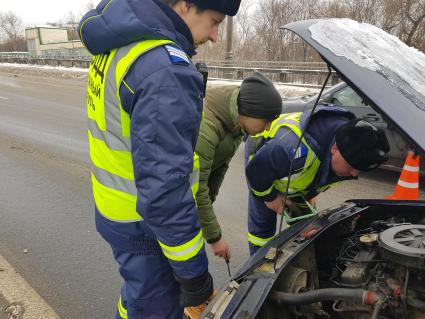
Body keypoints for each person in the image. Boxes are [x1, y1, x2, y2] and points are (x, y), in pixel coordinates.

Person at [78, 0, 241, 318]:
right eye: (214, 21)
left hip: (116, 208)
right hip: (146, 226)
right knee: (154, 309)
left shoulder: (119, 45)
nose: (214, 36)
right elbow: (164, 192)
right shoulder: (164, 68)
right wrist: (194, 273)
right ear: (184, 5)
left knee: (136, 299)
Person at [245, 106, 390, 255]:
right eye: (351, 166)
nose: (354, 174)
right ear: (334, 148)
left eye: (359, 169)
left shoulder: (351, 141)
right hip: (261, 159)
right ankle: (256, 270)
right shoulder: (290, 148)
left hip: (291, 164)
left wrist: (310, 193)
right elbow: (255, 173)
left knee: (306, 222)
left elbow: (320, 172)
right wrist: (270, 198)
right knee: (262, 225)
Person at [195, 72, 282, 261]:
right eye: (266, 121)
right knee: (180, 259)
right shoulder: (207, 128)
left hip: (187, 200)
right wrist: (214, 237)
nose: (267, 128)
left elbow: (219, 169)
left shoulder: (236, 123)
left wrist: (204, 215)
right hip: (164, 202)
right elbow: (196, 187)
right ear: (250, 111)